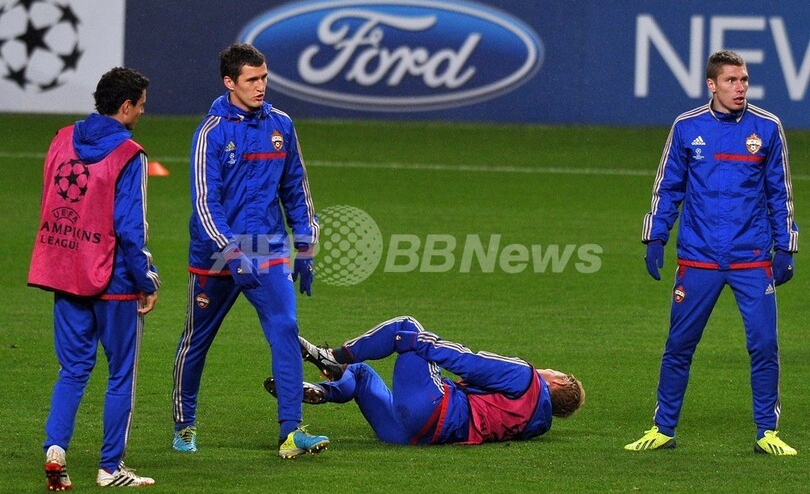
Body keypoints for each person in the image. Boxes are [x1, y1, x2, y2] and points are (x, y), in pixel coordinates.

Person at [626, 50, 799, 455]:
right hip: (698, 258)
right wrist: (655, 237)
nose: (740, 88)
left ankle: (767, 432)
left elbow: (781, 193)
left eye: (744, 80)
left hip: (752, 259)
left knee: (764, 346)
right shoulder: (687, 127)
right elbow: (668, 186)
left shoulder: (767, 127)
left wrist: (786, 246)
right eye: (731, 81)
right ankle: (663, 428)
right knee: (679, 346)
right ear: (711, 84)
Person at [171, 43, 327, 459]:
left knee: (286, 328)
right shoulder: (211, 132)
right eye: (252, 80)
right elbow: (206, 203)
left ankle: (291, 432)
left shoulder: (281, 125)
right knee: (197, 340)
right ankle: (184, 424)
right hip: (216, 252)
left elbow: (296, 189)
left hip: (267, 248)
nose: (261, 86)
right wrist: (230, 251)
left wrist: (305, 243)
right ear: (229, 82)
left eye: (264, 78)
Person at [28, 67, 160, 488]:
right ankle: (110, 468)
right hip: (114, 281)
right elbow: (131, 229)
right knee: (121, 374)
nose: (143, 112)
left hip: (67, 270)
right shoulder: (129, 154)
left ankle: (55, 450)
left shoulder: (62, 138)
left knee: (72, 369)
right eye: (141, 105)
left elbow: (50, 199)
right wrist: (147, 280)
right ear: (126, 107)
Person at [264, 316, 584, 446]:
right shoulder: (537, 424)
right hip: (413, 435)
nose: (548, 369)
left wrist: (419, 342)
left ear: (557, 382)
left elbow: (470, 362)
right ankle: (322, 391)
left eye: (554, 371)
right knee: (360, 375)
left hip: (434, 408)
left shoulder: (527, 377)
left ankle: (332, 356)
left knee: (407, 327)